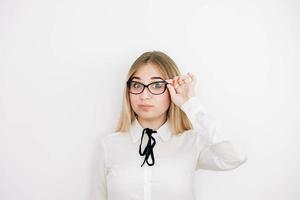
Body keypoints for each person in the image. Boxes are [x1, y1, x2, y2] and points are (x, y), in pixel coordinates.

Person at [90, 50, 247, 200]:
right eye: (137, 85)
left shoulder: (191, 142)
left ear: (172, 88)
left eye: (157, 85)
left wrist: (190, 104)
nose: (144, 96)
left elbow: (234, 157)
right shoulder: (108, 145)